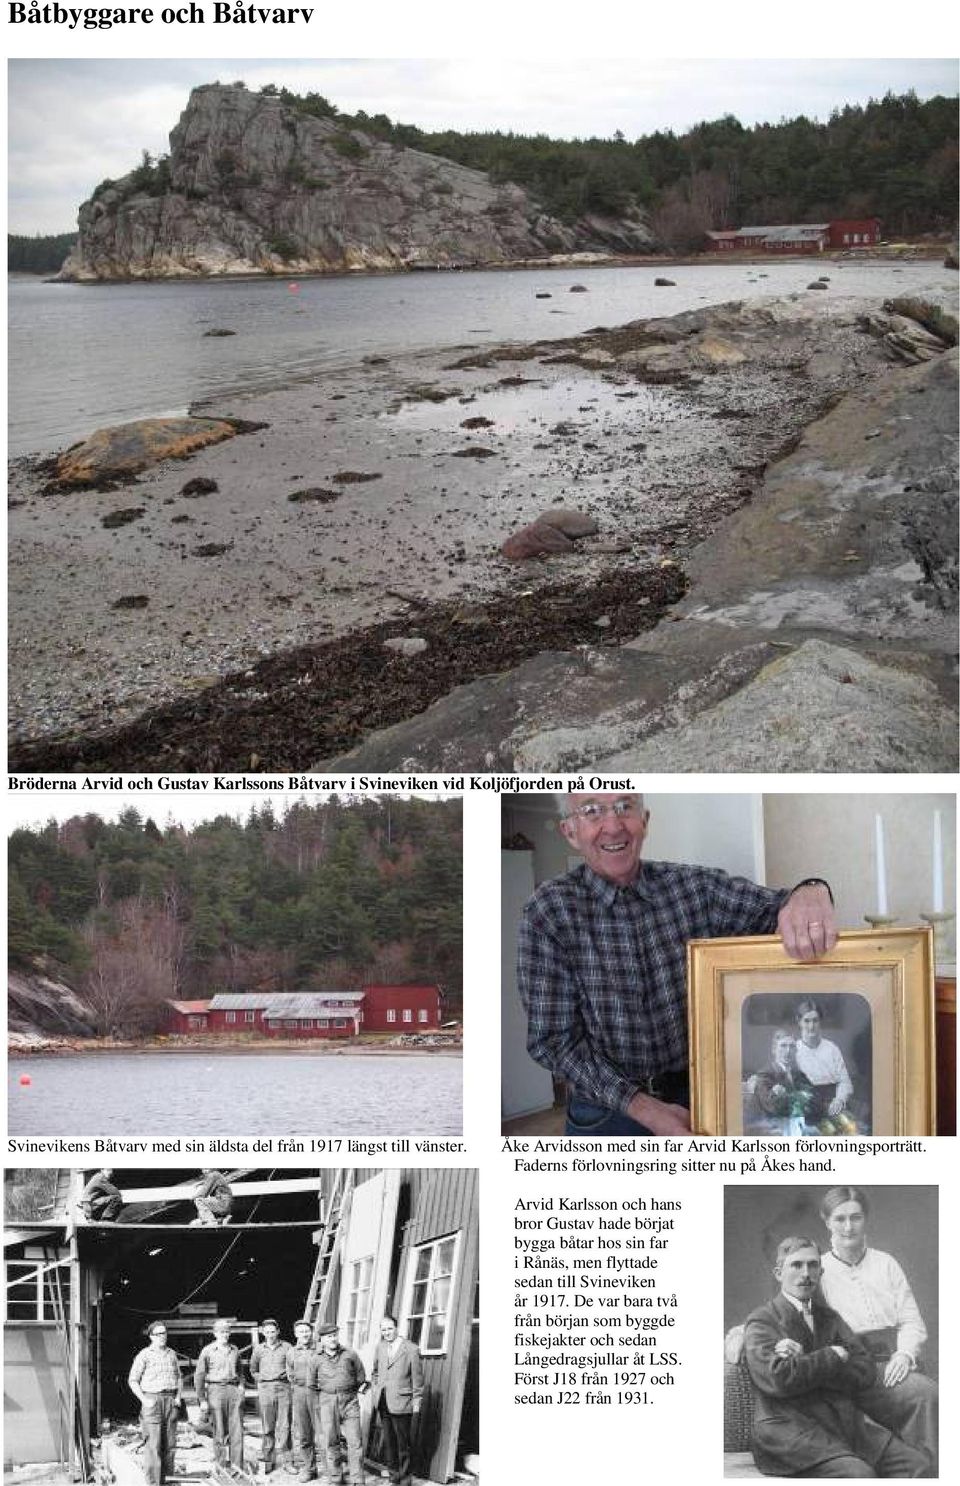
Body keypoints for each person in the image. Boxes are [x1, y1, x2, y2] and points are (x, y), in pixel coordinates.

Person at [517, 791, 838, 1135]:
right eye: (592, 812)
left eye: (625, 807)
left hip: (699, 1095)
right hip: (605, 1110)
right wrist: (644, 1107)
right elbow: (552, 1040)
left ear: (645, 822)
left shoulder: (695, 888)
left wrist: (811, 891)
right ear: (570, 831)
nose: (613, 826)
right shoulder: (549, 910)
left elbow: (780, 906)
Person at [743, 1236, 929, 1477]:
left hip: (839, 1422)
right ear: (779, 1273)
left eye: (812, 1265)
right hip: (788, 1431)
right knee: (859, 1475)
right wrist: (833, 1355)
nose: (806, 1273)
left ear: (821, 1272)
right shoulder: (762, 1320)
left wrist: (804, 1365)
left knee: (918, 1466)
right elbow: (778, 1378)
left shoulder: (829, 1317)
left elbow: (864, 1369)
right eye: (796, 1265)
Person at [818, 1187, 937, 1472]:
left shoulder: (886, 1263)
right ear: (827, 1222)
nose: (848, 1227)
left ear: (865, 1219)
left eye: (856, 1217)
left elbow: (910, 1319)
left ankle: (931, 1473)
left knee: (927, 1394)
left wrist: (905, 1355)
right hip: (848, 1371)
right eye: (840, 1218)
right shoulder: (818, 1269)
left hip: (892, 1364)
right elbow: (789, 1313)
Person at [369, 1316, 422, 1486]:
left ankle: (406, 1479)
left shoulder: (411, 1349)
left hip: (402, 1402)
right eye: (383, 1330)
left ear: (397, 1328)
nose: (386, 1333)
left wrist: (416, 1402)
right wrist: (376, 1389)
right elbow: (375, 1372)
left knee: (403, 1444)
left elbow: (418, 1380)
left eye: (389, 1329)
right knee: (389, 1442)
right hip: (384, 1402)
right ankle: (393, 1476)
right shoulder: (381, 1347)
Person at [128, 1321, 182, 1486]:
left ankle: (168, 1481)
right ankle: (153, 1482)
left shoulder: (172, 1354)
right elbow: (133, 1380)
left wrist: (178, 1397)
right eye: (158, 1334)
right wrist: (145, 1400)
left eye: (164, 1333)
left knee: (170, 1444)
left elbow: (179, 1377)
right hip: (152, 1401)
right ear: (151, 1336)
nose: (162, 1337)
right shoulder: (144, 1355)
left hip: (170, 1400)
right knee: (153, 1445)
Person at [315, 1324, 368, 1486]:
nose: (332, 1339)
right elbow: (311, 1384)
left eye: (334, 1335)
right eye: (328, 1337)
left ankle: (358, 1479)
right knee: (331, 1441)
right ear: (322, 1339)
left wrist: (348, 1390)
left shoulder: (350, 1354)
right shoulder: (316, 1358)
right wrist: (326, 1398)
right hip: (327, 1401)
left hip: (350, 1401)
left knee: (355, 1442)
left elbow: (361, 1377)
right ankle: (336, 1478)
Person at [194, 1318, 245, 1473]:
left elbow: (241, 1371)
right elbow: (199, 1376)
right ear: (215, 1333)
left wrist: (242, 1386)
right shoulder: (208, 1351)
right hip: (215, 1391)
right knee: (219, 1430)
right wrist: (202, 1399)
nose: (225, 1334)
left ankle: (237, 1468)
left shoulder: (234, 1350)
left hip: (233, 1390)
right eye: (221, 1332)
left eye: (227, 1331)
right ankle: (221, 1467)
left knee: (237, 1430)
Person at [793, 1000, 854, 1121]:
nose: (811, 1026)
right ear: (799, 1022)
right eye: (807, 1021)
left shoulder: (832, 1049)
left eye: (815, 1020)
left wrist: (839, 1100)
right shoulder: (794, 1050)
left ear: (820, 1022)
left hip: (833, 1107)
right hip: (804, 1109)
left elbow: (845, 1082)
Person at [250, 1319, 293, 1475]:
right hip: (266, 1389)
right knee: (268, 1426)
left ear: (278, 1331)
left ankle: (288, 1462)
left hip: (283, 1388)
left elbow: (293, 1366)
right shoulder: (259, 1349)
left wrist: (289, 1378)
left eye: (272, 1331)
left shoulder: (287, 1347)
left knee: (285, 1426)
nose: (270, 1335)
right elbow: (253, 1369)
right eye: (267, 1332)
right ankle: (268, 1461)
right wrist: (260, 1379)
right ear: (263, 1333)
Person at [746, 1031, 814, 1128]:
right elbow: (770, 1106)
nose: (788, 1051)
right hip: (773, 1127)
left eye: (792, 1047)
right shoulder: (765, 1074)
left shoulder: (798, 1074)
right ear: (774, 1050)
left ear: (796, 1051)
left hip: (798, 1123)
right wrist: (800, 1098)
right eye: (783, 1046)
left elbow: (814, 1097)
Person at [286, 1320, 322, 1483]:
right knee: (304, 1434)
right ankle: (309, 1469)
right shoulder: (292, 1352)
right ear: (295, 1334)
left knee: (325, 1433)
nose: (304, 1334)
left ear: (311, 1332)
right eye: (300, 1332)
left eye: (307, 1331)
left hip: (319, 1393)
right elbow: (290, 1374)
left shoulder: (321, 1349)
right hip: (300, 1392)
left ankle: (333, 1471)